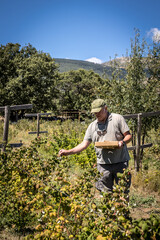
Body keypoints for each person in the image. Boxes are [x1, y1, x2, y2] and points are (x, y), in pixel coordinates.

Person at [58, 99, 132, 193]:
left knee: (123, 192)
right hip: (103, 165)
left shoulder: (117, 119)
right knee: (105, 194)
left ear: (105, 108)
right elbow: (84, 144)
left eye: (99, 111)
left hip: (120, 163)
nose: (97, 114)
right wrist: (68, 152)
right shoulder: (92, 126)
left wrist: (122, 142)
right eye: (95, 112)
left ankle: (123, 207)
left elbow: (128, 136)